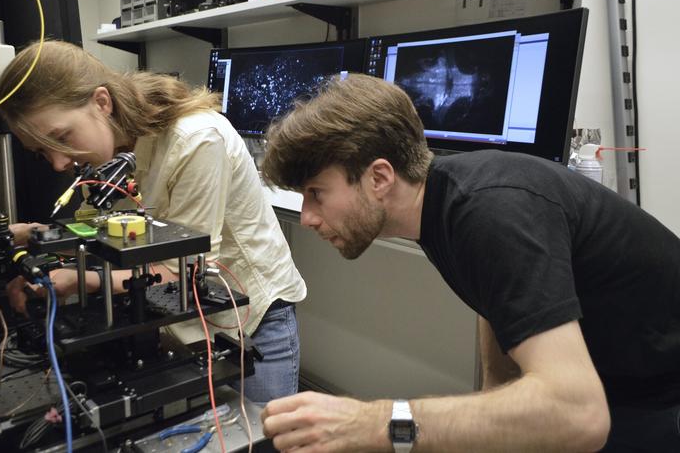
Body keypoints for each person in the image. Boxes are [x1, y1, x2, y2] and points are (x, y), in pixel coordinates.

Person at [259, 73, 680, 451]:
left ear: (380, 178)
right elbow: (494, 296)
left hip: (659, 392)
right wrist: (496, 387)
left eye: (316, 193)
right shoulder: (442, 205)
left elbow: (578, 415)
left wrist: (372, 423)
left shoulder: (492, 213)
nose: (309, 217)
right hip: (616, 379)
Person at [0, 40, 307, 403]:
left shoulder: (195, 140)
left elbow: (187, 270)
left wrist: (79, 282)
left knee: (264, 434)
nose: (58, 163)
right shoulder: (116, 150)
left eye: (62, 138)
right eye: (42, 152)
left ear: (102, 102)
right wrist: (37, 235)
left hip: (251, 319)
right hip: (182, 318)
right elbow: (120, 232)